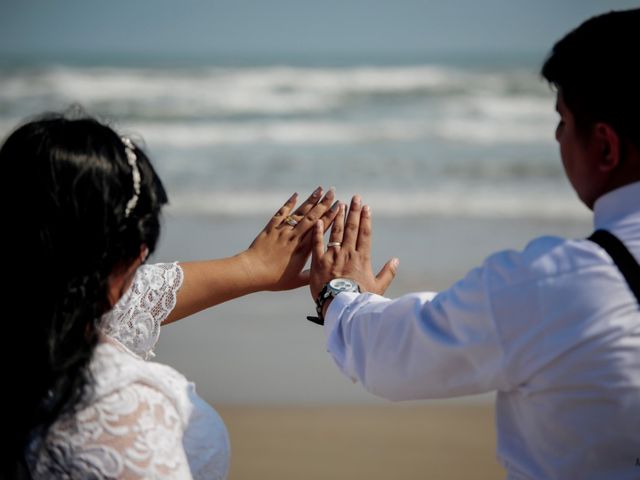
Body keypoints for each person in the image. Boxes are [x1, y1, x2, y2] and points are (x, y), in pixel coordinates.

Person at [307, 9, 640, 480]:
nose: (558, 136)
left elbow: (398, 356)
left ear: (605, 146)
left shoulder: (562, 285)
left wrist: (340, 297)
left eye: (563, 121)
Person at [2, 113, 338, 479]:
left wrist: (249, 268)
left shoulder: (32, 314)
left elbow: (127, 297)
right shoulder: (115, 411)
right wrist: (350, 303)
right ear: (128, 260)